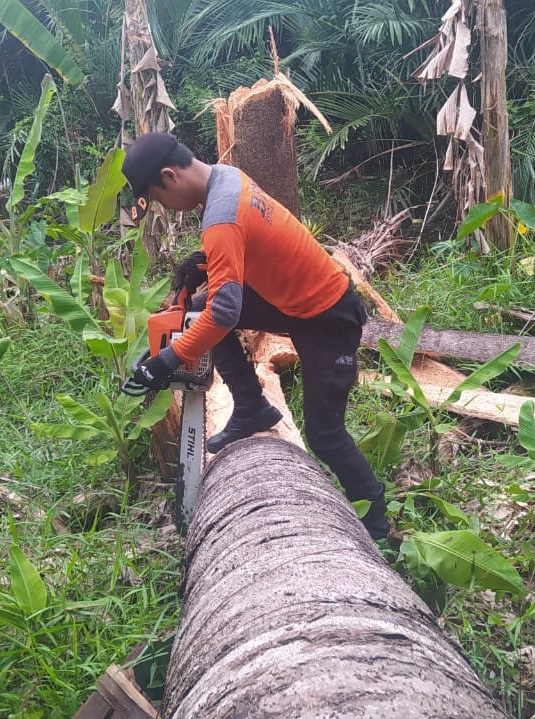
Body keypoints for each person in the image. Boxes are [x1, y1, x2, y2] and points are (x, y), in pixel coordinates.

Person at [120, 131, 389, 541]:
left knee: (325, 435)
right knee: (200, 303)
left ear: (169, 176)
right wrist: (203, 264)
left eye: (157, 199)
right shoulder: (226, 177)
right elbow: (253, 245)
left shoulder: (220, 219)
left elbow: (225, 313)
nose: (165, 209)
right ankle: (251, 407)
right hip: (292, 300)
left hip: (328, 316)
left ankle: (377, 526)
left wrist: (164, 362)